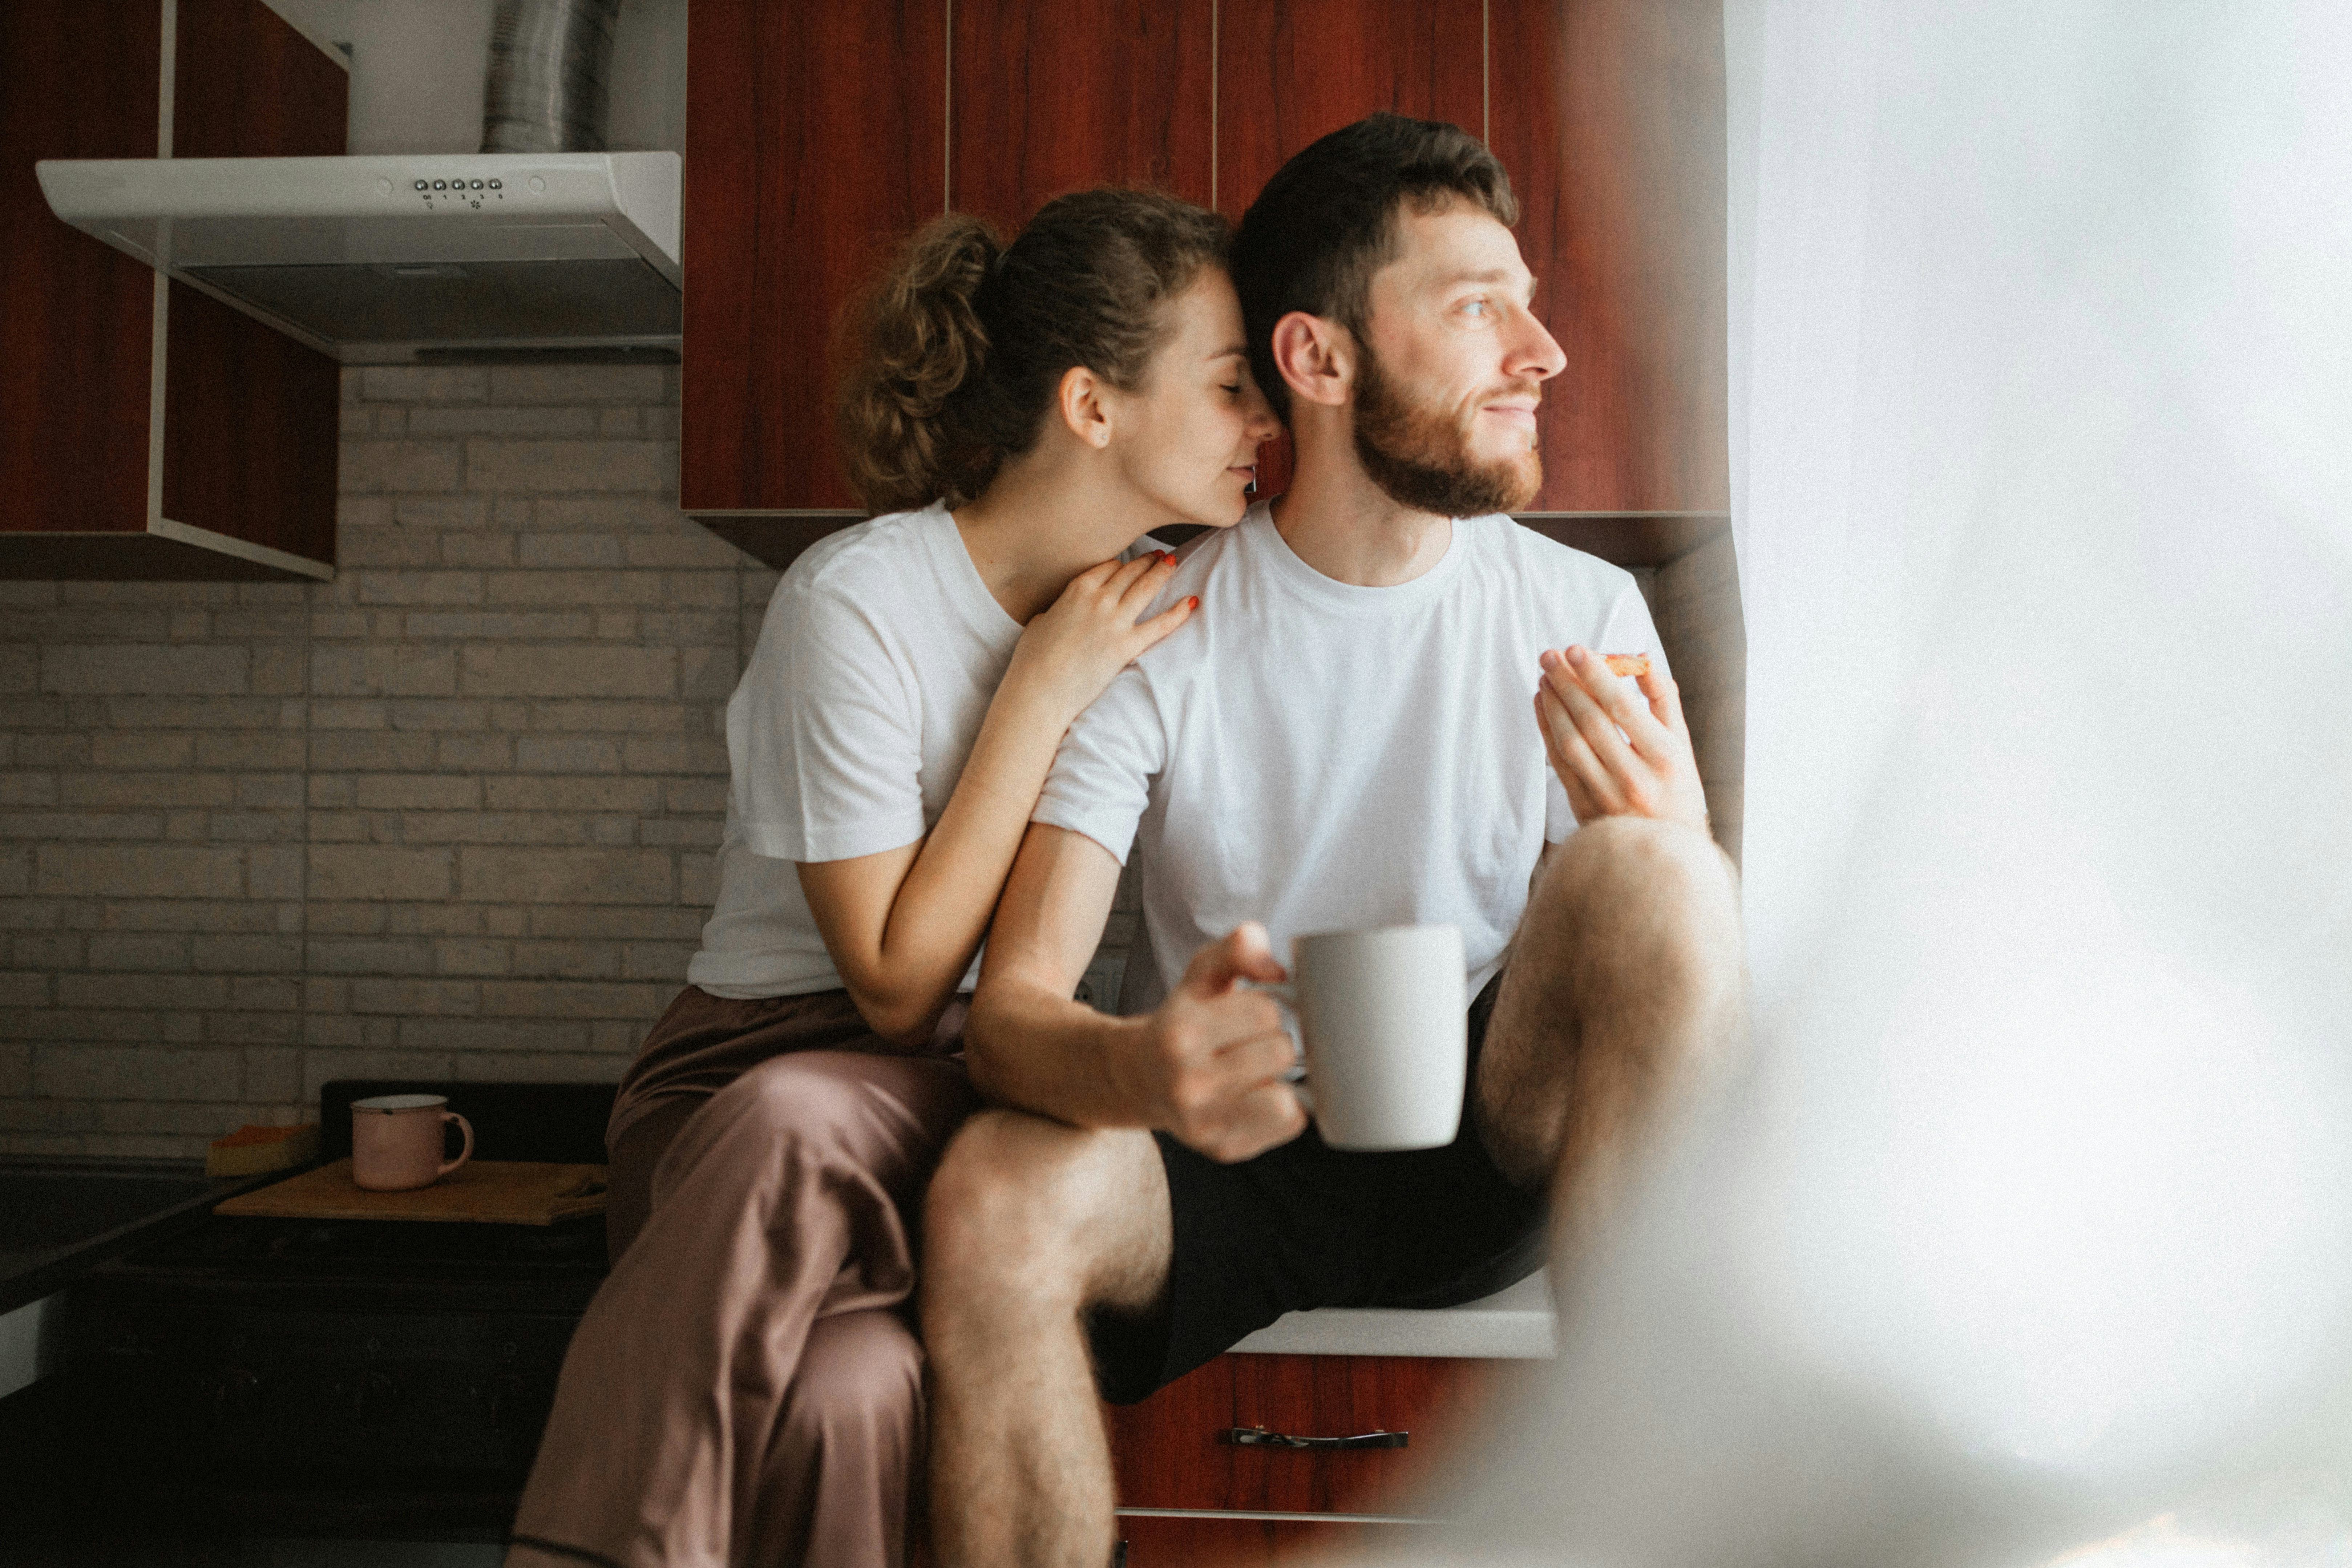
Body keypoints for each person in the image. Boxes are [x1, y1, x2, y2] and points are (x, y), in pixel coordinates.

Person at [917, 112, 1749, 1566]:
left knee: (1658, 867)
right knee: (992, 1193)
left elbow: (1656, 989)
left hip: (1485, 1142)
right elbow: (1009, 1018)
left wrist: (1682, 876)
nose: (1538, 352)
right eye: (1478, 307)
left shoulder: (1583, 616)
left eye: (1528, 303)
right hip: (1227, 1146)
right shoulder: (1155, 625)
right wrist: (1140, 1060)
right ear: (1317, 361)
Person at [503, 188, 1280, 1568]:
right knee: (830, 1300)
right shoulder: (855, 601)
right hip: (742, 1093)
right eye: (1230, 389)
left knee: (862, 1381)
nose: (1261, 428)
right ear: (1093, 406)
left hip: (969, 1087)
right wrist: (1035, 695)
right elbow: (895, 984)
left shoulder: (1170, 596)